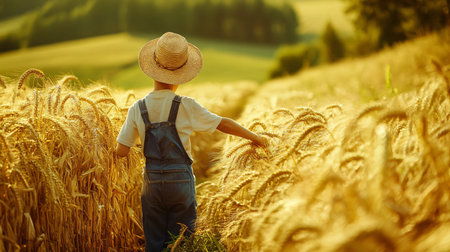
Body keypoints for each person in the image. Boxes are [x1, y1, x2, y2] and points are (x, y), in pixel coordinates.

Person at [115, 32, 267, 252]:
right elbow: (222, 123)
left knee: (154, 242)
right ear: (182, 76)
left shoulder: (137, 108)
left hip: (152, 183)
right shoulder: (185, 105)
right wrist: (256, 137)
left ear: (152, 69)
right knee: (183, 242)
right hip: (180, 184)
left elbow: (121, 150)